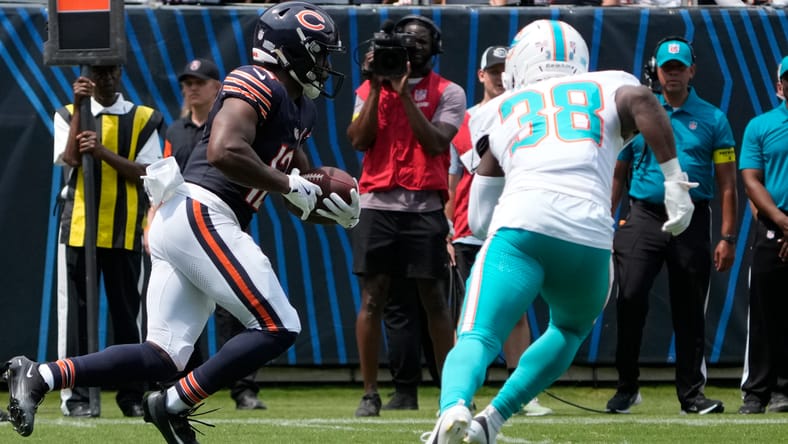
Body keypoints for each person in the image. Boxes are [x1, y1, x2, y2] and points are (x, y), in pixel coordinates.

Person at [3, 2, 357, 440]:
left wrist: (330, 205)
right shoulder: (258, 80)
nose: (324, 65)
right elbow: (223, 150)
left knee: (164, 355)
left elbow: (296, 184)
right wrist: (290, 185)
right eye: (319, 53)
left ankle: (38, 376)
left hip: (192, 220)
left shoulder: (302, 109)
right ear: (290, 50)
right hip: (204, 210)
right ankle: (171, 404)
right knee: (279, 326)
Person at [425, 19, 697, 443]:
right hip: (589, 238)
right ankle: (492, 421)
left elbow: (478, 218)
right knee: (568, 331)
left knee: (478, 333)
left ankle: (454, 406)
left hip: (523, 226)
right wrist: (674, 180)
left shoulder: (499, 109)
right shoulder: (609, 83)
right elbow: (644, 100)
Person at [606, 37, 738, 415]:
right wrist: (606, 220)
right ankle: (627, 387)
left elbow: (728, 184)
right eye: (668, 68)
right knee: (630, 297)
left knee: (689, 308)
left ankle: (691, 395)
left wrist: (728, 236)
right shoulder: (639, 112)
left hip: (692, 218)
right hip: (644, 215)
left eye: (680, 68)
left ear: (692, 71)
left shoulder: (713, 118)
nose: (674, 74)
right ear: (658, 71)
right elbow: (618, 172)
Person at [346, 14, 465, 417]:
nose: (412, 49)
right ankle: (369, 393)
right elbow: (358, 139)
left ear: (435, 48)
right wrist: (378, 88)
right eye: (406, 43)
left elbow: (437, 143)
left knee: (434, 299)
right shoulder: (369, 88)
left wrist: (406, 96)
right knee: (373, 297)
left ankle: (452, 392)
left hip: (424, 208)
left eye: (421, 43)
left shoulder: (449, 92)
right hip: (377, 205)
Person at [51, 64, 164, 418]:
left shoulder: (144, 118)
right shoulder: (67, 113)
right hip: (78, 228)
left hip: (124, 227)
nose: (107, 78)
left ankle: (132, 396)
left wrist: (102, 153)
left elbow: (148, 173)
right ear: (88, 77)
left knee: (128, 316)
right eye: (99, 73)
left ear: (120, 72)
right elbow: (70, 159)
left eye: (112, 71)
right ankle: (76, 396)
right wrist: (78, 105)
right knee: (76, 317)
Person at [446, 44, 551, 417]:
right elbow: (454, 180)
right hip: (469, 231)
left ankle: (520, 393)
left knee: (517, 311)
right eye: (493, 71)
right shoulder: (467, 121)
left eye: (505, 70)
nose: (500, 78)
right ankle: (461, 394)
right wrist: (448, 229)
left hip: (513, 224)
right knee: (468, 317)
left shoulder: (528, 114)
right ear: (481, 75)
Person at [161, 57, 267, 411]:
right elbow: (164, 179)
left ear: (217, 87)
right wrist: (152, 220)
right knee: (182, 311)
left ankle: (243, 388)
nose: (191, 88)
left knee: (236, 309)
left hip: (225, 226)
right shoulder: (175, 132)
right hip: (182, 229)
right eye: (187, 82)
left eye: (199, 82)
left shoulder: (233, 124)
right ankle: (185, 387)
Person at [736, 55, 788, 415]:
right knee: (765, 313)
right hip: (773, 225)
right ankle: (758, 392)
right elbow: (751, 180)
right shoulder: (760, 125)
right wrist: (783, 222)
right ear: (780, 85)